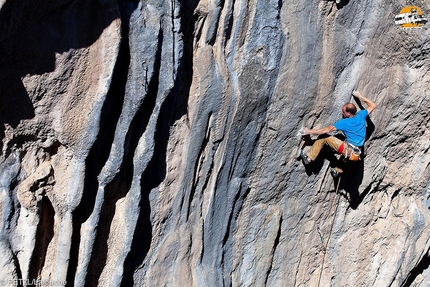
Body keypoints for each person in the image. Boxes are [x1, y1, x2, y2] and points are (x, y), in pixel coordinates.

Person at [300, 90, 376, 176]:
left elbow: (327, 130)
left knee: (323, 137)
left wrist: (309, 131)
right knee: (346, 147)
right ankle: (338, 170)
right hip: (357, 152)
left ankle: (309, 158)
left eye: (343, 111)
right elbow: (373, 105)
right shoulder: (361, 115)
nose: (342, 113)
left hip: (348, 149)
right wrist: (359, 96)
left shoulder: (344, 122)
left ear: (349, 113)